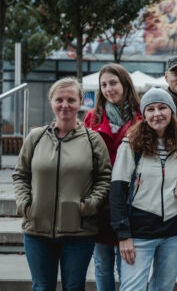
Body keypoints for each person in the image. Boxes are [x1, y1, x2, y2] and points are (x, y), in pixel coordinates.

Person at [12, 77, 112, 291]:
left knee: (74, 287)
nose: (65, 105)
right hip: (37, 231)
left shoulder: (92, 140)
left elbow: (104, 178)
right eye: (59, 99)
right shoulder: (35, 137)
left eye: (70, 99)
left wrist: (90, 205)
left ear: (80, 102)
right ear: (51, 102)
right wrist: (25, 205)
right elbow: (21, 175)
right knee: (41, 287)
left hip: (79, 232)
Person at [110, 88, 177, 291]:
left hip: (175, 229)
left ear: (171, 111)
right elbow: (117, 191)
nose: (157, 114)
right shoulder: (130, 145)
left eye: (162, 108)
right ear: (144, 115)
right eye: (151, 109)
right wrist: (123, 235)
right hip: (140, 230)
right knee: (132, 288)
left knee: (163, 288)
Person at [84, 63, 142, 291]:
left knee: (126, 262)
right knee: (102, 263)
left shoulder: (141, 117)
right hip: (100, 198)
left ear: (125, 84)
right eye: (104, 85)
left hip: (131, 199)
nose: (109, 89)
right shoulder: (92, 118)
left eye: (113, 83)